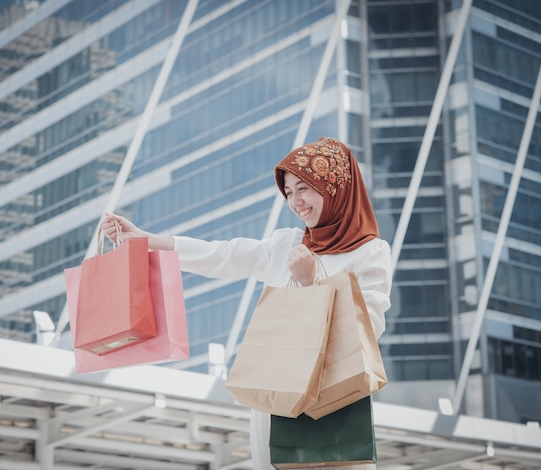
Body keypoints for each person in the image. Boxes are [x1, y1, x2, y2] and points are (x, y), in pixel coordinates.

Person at [101, 137, 392, 469]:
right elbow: (222, 255)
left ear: (333, 184)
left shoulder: (370, 252)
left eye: (304, 188)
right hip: (275, 394)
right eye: (289, 192)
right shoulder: (286, 244)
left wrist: (313, 284)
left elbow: (369, 331)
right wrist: (146, 240)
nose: (296, 201)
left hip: (334, 396)